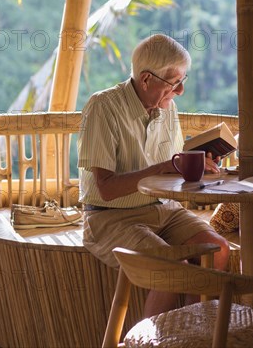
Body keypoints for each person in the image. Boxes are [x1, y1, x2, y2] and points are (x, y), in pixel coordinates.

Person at [78, 34, 230, 317]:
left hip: (164, 210)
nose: (181, 90)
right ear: (146, 79)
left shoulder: (167, 108)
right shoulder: (103, 107)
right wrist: (160, 168)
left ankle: (190, 334)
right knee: (173, 269)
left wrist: (199, 165)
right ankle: (152, 340)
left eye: (184, 80)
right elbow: (107, 189)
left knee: (218, 249)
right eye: (175, 82)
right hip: (110, 217)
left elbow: (172, 171)